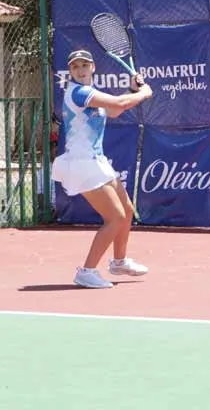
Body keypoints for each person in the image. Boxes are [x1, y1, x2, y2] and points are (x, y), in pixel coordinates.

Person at [51, 49, 153, 288]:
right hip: (81, 162)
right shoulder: (79, 92)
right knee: (115, 217)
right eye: (75, 67)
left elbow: (116, 109)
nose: (80, 70)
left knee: (126, 210)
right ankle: (86, 271)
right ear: (71, 71)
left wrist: (133, 90)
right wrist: (144, 93)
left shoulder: (92, 94)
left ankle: (119, 261)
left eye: (84, 65)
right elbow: (120, 103)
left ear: (93, 67)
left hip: (96, 160)